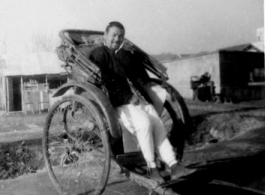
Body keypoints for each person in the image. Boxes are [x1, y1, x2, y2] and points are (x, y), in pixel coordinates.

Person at [89, 21, 195, 183]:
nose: (117, 39)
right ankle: (152, 168)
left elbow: (136, 77)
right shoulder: (100, 53)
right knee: (144, 124)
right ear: (105, 35)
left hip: (137, 99)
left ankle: (174, 166)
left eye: (121, 36)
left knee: (157, 124)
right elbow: (106, 81)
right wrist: (126, 97)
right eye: (114, 35)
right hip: (118, 103)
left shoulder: (119, 55)